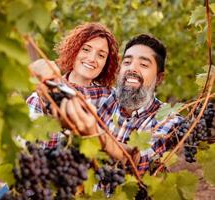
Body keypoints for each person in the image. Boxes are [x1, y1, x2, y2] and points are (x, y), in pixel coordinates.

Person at [30, 34, 183, 175]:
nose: (132, 68)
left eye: (143, 64)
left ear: (160, 78)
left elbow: (137, 161)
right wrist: (47, 76)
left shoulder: (169, 120)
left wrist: (96, 134)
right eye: (127, 62)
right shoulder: (103, 96)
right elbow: (66, 94)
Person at [26, 22, 119, 119]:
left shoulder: (110, 98)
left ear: (106, 63)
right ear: (74, 50)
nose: (92, 59)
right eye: (86, 49)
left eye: (101, 55)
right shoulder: (42, 96)